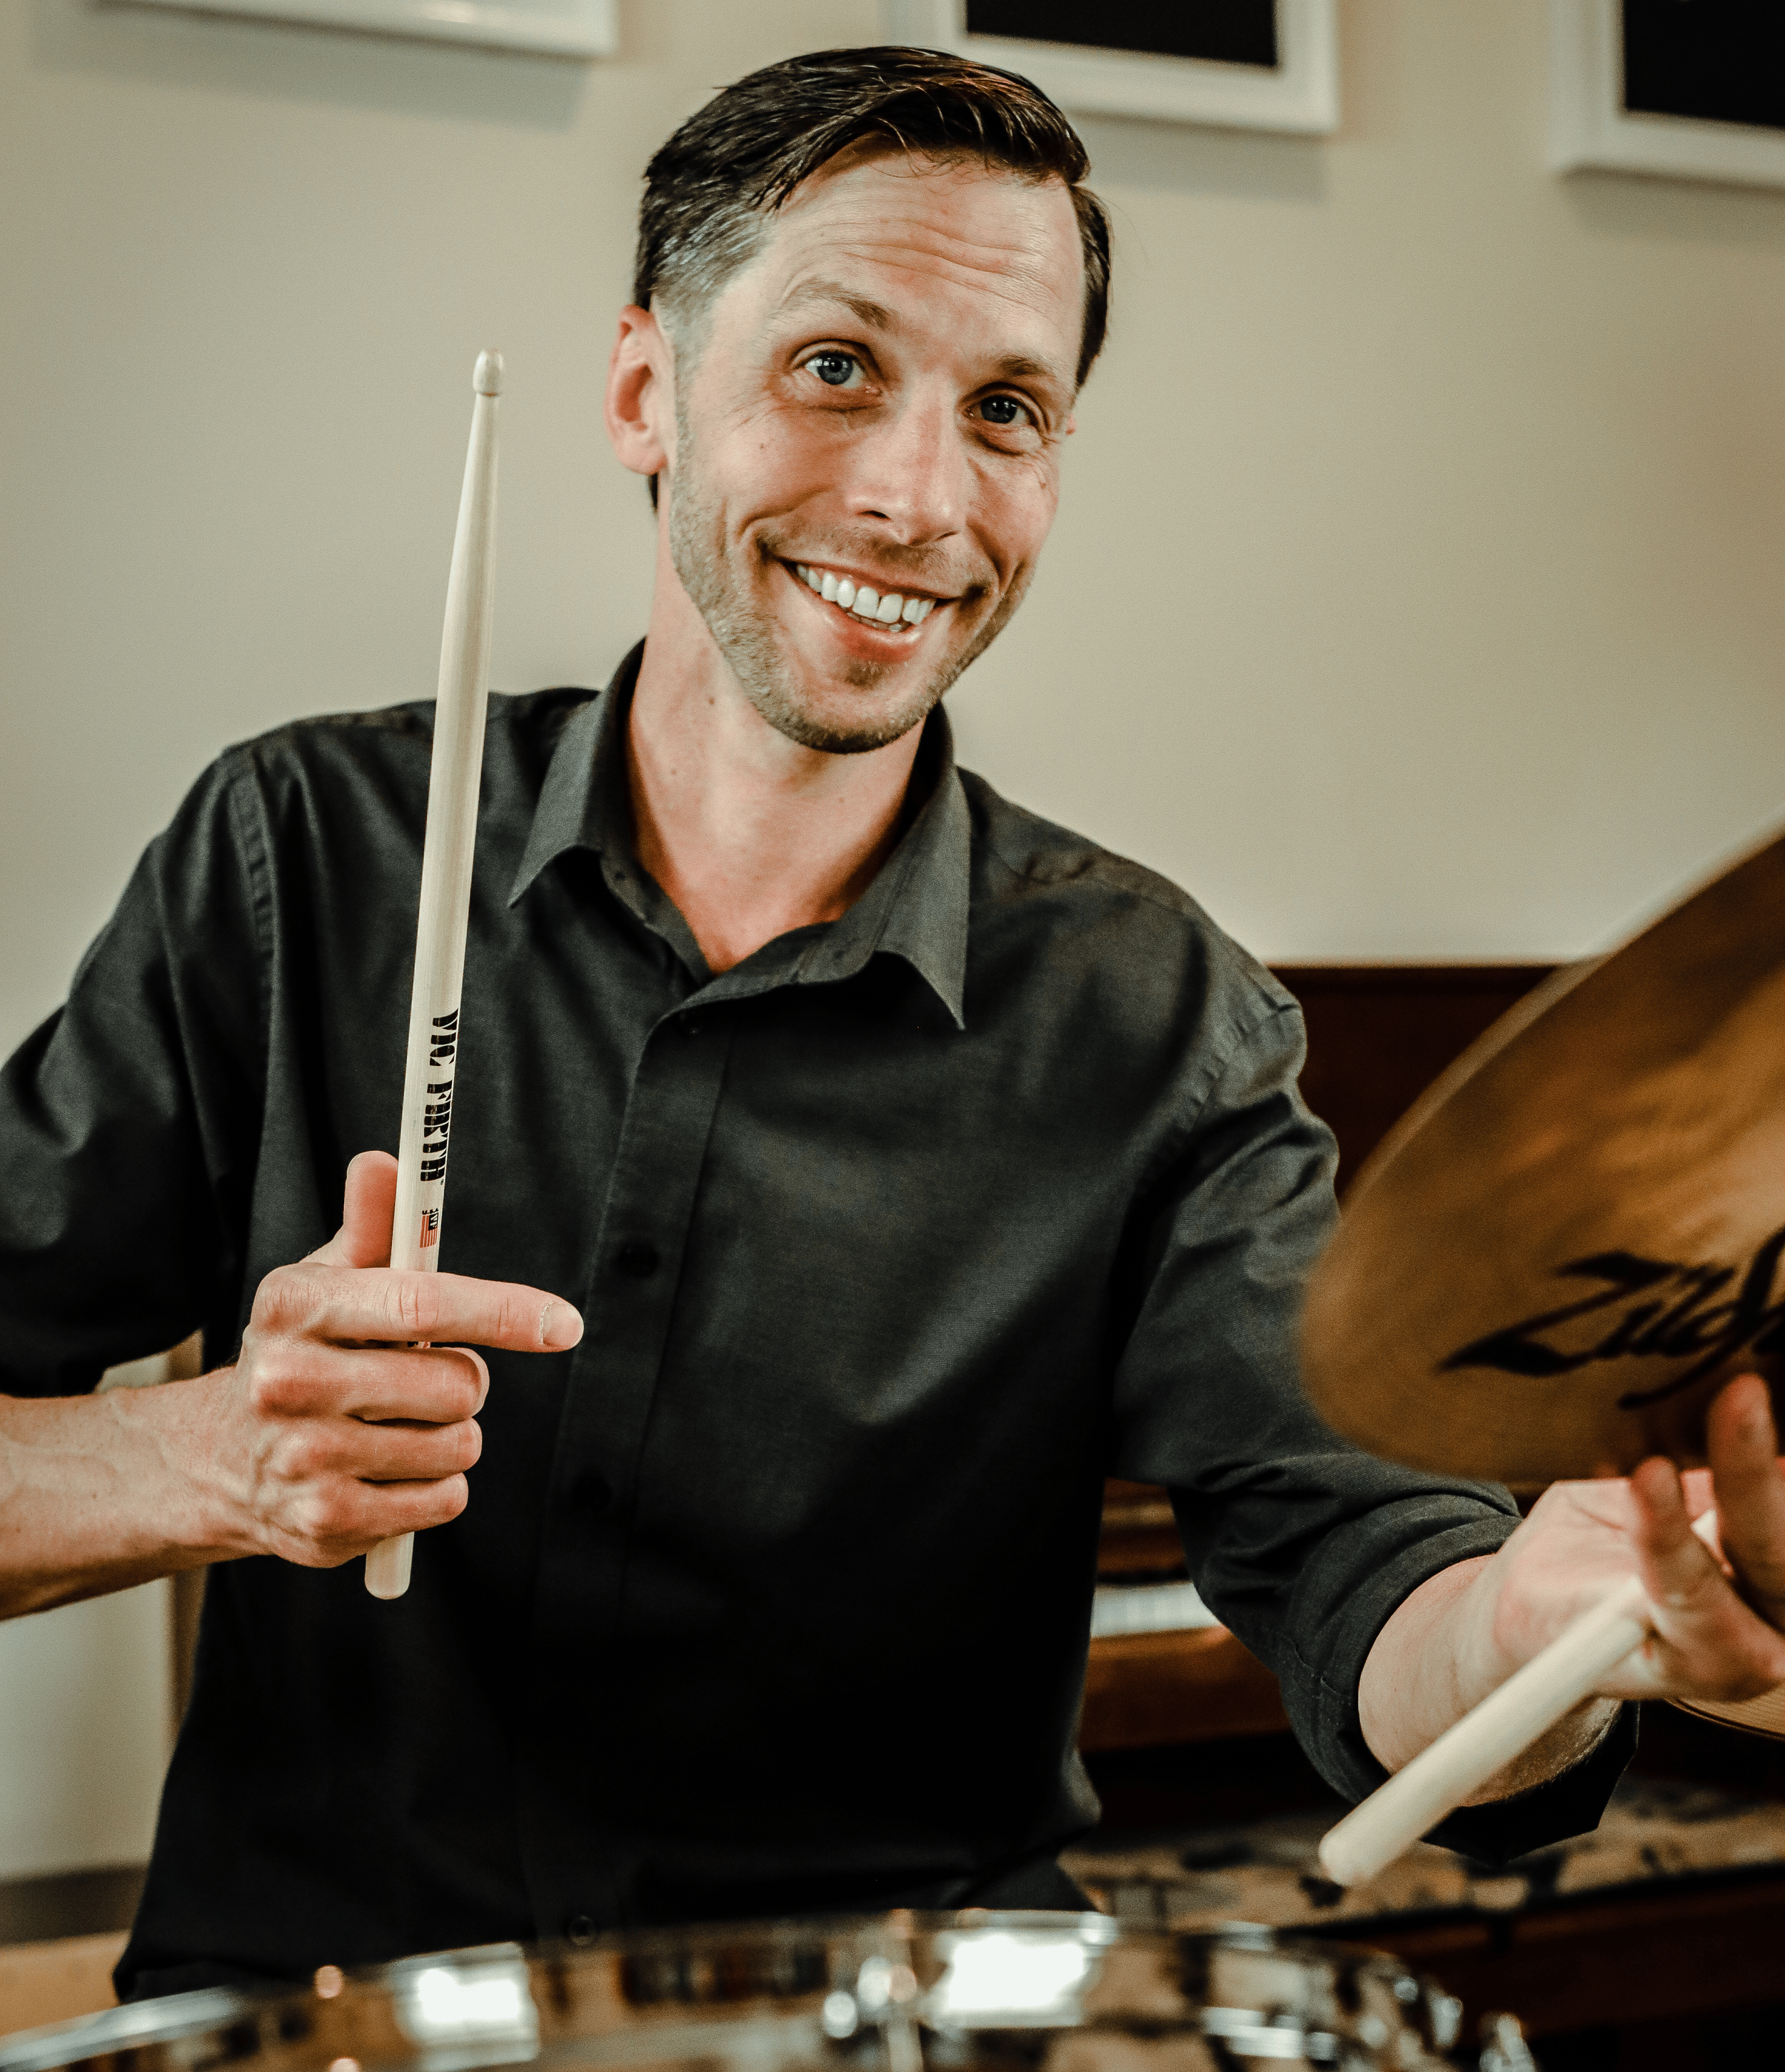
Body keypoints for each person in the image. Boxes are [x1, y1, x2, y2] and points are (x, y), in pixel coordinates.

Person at [1, 45, 1781, 2003]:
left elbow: (1368, 1580)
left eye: (1004, 408)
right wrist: (199, 1459)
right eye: (835, 366)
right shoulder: (299, 855)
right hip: (329, 2019)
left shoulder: (1160, 1017)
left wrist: (1537, 1621)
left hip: (912, 2032)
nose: (919, 497)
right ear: (638, 391)